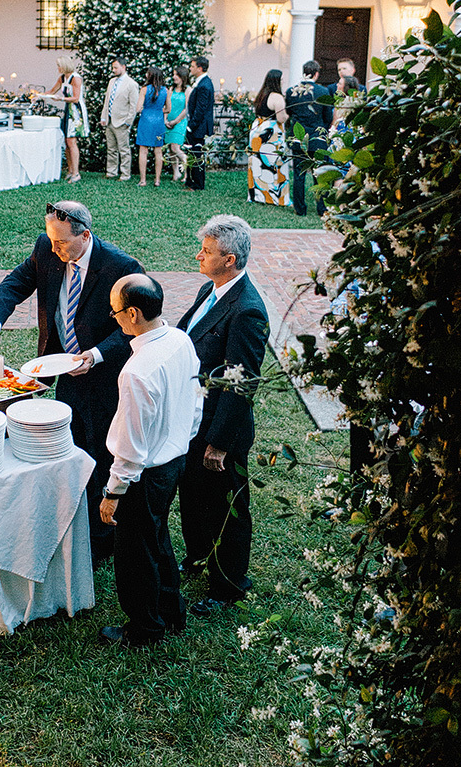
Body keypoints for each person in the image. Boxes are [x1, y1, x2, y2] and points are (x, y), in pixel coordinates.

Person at [0, 199, 142, 566]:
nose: (54, 250)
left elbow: (133, 328)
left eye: (62, 244)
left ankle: (101, 542)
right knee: (71, 446)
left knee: (100, 453)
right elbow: (13, 285)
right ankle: (74, 520)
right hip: (61, 370)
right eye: (51, 242)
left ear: (85, 235)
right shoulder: (47, 247)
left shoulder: (121, 267)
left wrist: (96, 355)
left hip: (103, 377)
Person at [98, 274, 202, 647]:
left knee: (134, 554)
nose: (114, 318)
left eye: (115, 313)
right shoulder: (180, 338)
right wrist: (183, 439)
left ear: (133, 313)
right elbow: (196, 397)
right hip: (174, 460)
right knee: (158, 538)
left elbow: (129, 445)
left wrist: (113, 492)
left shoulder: (137, 372)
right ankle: (171, 611)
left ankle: (144, 628)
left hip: (145, 472)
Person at [176, 215, 269, 612]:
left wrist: (218, 444)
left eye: (207, 252)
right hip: (194, 418)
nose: (199, 256)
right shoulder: (210, 288)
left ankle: (228, 586)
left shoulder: (246, 311)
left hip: (219, 429)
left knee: (226, 508)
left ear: (229, 260)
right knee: (194, 495)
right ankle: (198, 555)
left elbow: (240, 384)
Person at [285, 59, 334, 216]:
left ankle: (300, 208)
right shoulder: (323, 92)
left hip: (298, 136)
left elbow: (289, 112)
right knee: (320, 174)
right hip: (317, 137)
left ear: (303, 72)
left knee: (299, 174)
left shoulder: (291, 91)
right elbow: (327, 115)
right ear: (317, 73)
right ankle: (322, 208)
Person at [40, 55, 88, 183]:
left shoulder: (75, 78)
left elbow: (76, 98)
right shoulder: (62, 78)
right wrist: (39, 96)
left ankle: (76, 172)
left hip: (76, 111)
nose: (58, 68)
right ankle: (70, 170)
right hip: (68, 110)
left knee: (71, 141)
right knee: (67, 141)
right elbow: (52, 91)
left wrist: (60, 98)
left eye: (59, 65)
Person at [247, 68, 291, 206]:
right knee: (273, 162)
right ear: (277, 81)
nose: (283, 81)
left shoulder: (262, 94)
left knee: (257, 162)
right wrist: (290, 114)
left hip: (257, 129)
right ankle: (273, 196)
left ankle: (258, 194)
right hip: (270, 133)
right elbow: (281, 118)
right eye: (282, 78)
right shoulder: (277, 97)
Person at [99, 57, 139, 181]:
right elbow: (107, 101)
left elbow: (133, 105)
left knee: (124, 149)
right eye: (113, 68)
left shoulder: (132, 84)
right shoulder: (111, 81)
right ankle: (111, 172)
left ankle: (125, 174)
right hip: (110, 119)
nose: (114, 70)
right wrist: (103, 116)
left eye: (116, 67)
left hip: (122, 121)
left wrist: (128, 121)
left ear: (123, 67)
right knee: (111, 148)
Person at [134, 67, 170, 187]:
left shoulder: (144, 89)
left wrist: (146, 109)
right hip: (158, 121)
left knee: (143, 151)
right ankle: (157, 180)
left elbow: (138, 108)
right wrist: (158, 110)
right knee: (158, 151)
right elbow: (168, 109)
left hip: (146, 121)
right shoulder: (166, 90)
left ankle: (143, 180)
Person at [185, 56, 215, 191]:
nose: (190, 68)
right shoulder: (201, 82)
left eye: (192, 66)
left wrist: (191, 125)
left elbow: (200, 108)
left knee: (197, 154)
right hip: (197, 125)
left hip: (199, 126)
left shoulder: (204, 84)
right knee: (193, 153)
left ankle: (197, 183)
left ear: (200, 68)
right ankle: (191, 180)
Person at [165, 66, 191, 182]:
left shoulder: (188, 90)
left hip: (180, 122)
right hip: (169, 120)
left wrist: (176, 121)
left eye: (177, 75)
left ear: (183, 77)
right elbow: (166, 105)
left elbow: (186, 109)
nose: (174, 77)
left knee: (176, 147)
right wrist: (165, 119)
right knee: (170, 149)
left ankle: (187, 171)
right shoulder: (171, 89)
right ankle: (176, 173)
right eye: (174, 74)